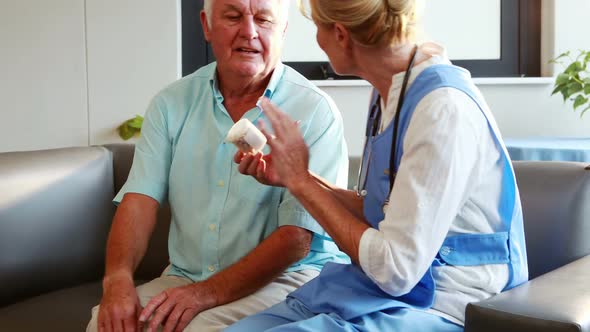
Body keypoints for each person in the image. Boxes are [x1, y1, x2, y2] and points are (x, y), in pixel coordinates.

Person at [228, 0, 528, 330]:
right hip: (377, 290)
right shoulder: (392, 92)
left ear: (340, 34)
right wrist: (294, 177)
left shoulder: (443, 111)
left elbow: (395, 270)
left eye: (318, 27)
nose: (318, 40)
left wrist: (302, 181)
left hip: (444, 300)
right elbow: (382, 212)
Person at [86, 0, 350, 331]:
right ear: (207, 25)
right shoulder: (172, 103)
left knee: (200, 329)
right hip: (188, 276)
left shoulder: (314, 109)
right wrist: (117, 279)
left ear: (282, 30)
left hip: (289, 279)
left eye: (264, 20)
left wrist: (205, 294)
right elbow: (140, 199)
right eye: (233, 16)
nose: (249, 32)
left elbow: (297, 238)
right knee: (104, 325)